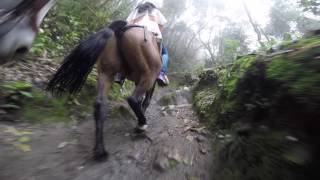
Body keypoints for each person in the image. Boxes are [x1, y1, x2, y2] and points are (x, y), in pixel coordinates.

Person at [115, 1, 170, 86]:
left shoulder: (137, 10)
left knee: (120, 47)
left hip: (132, 31)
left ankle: (120, 73)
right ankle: (161, 74)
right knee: (165, 53)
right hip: (152, 34)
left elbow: (128, 23)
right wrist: (158, 32)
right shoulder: (155, 11)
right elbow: (162, 25)